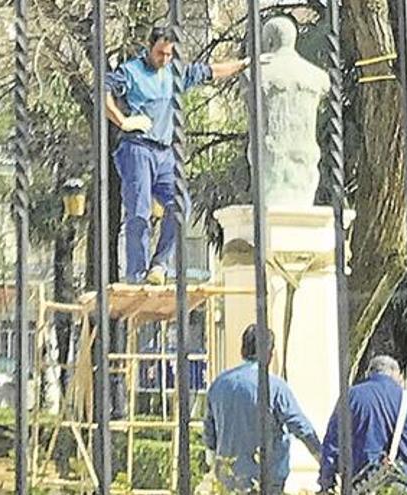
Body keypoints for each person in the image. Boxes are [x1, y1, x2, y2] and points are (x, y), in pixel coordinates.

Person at [104, 26, 252, 284]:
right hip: (137, 148)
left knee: (181, 204)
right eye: (160, 53)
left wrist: (244, 64)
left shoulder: (175, 72)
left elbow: (211, 71)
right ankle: (136, 274)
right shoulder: (131, 72)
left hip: (164, 152)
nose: (164, 59)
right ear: (149, 47)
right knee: (138, 213)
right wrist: (123, 121)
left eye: (169, 55)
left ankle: (159, 265)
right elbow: (101, 91)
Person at [203, 324, 322, 494]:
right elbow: (300, 426)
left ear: (242, 350)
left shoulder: (219, 384)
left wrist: (213, 460)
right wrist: (322, 458)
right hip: (267, 478)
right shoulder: (274, 386)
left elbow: (209, 432)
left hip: (228, 477)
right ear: (269, 354)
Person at [317, 355, 407, 493]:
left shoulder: (352, 396)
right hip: (405, 487)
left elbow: (332, 444)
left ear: (369, 372)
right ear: (397, 375)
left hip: (362, 487)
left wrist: (327, 482)